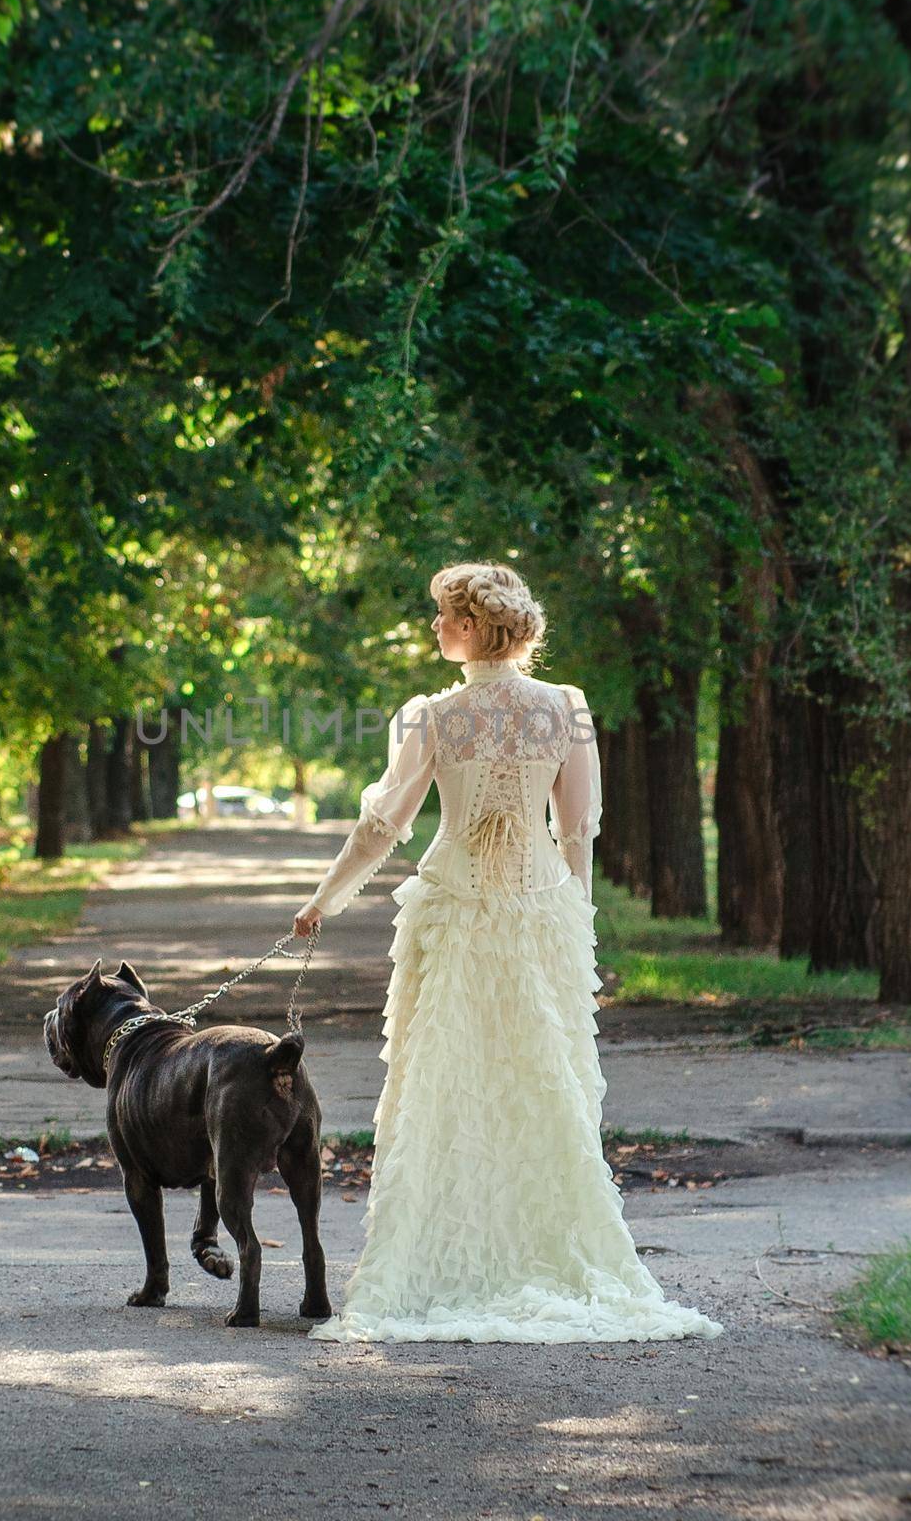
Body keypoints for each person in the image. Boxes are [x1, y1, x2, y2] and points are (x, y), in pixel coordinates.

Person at [291, 562, 723, 1344]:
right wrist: (577, 920)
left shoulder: (432, 717)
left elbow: (382, 826)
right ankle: (541, 1252)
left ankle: (441, 1262)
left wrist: (323, 900)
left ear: (474, 626)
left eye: (443, 615)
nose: (433, 626)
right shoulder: (567, 709)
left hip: (457, 912)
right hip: (537, 915)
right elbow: (579, 828)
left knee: (444, 1084)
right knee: (538, 1083)